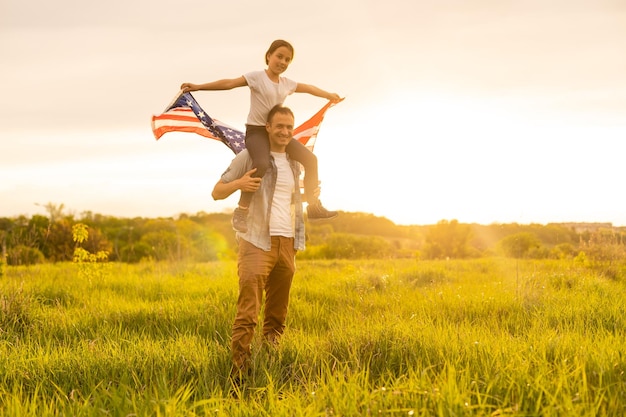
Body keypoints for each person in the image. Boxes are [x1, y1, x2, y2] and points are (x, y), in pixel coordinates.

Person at [181, 39, 340, 233]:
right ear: (268, 56)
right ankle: (242, 210)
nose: (282, 62)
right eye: (279, 56)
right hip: (256, 132)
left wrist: (328, 95)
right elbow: (229, 83)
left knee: (310, 159)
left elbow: (309, 88)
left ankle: (314, 207)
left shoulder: (287, 84)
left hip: (277, 133)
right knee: (261, 163)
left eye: (287, 60)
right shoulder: (256, 77)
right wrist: (198, 86)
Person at [211, 105, 309, 385]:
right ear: (267, 127)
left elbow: (285, 201)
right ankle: (239, 376)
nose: (285, 132)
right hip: (256, 242)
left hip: (287, 242)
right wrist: (239, 182)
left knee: (277, 316)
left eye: (289, 127)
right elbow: (217, 192)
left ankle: (270, 367)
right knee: (248, 314)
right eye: (279, 126)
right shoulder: (250, 156)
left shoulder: (294, 162)